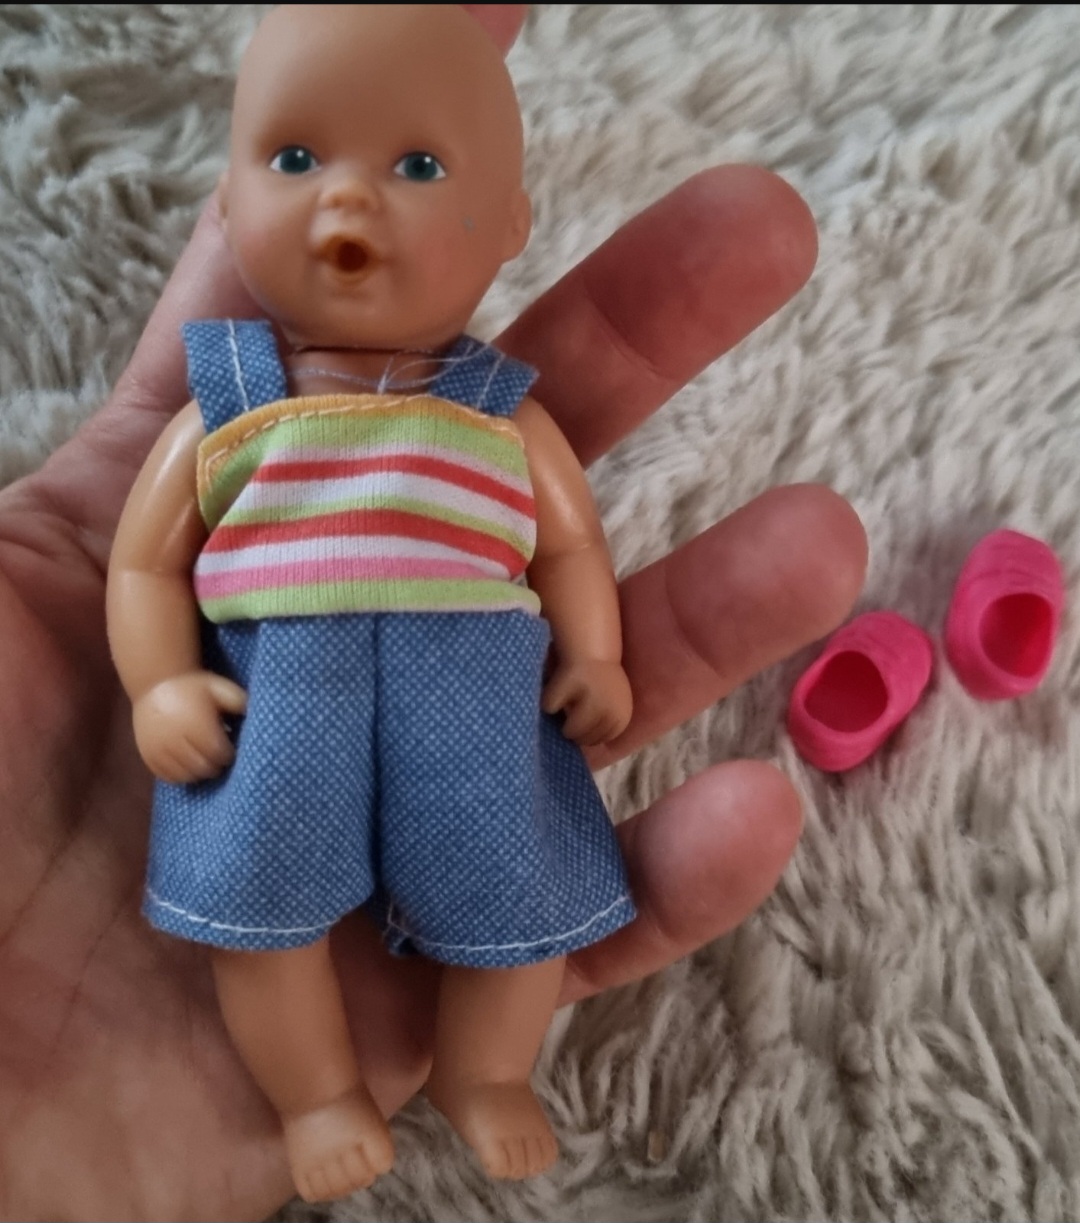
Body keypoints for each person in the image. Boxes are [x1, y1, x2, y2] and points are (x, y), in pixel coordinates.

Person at [0, 5, 867, 1220]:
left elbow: (568, 542)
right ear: (230, 199)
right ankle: (315, 1096)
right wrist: (158, 682)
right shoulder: (229, 405)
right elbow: (142, 568)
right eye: (295, 157)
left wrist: (598, 651)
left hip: (474, 693)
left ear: (509, 226)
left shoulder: (499, 413)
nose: (347, 198)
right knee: (259, 915)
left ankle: (483, 1068)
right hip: (273, 696)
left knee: (521, 896)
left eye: (416, 165)